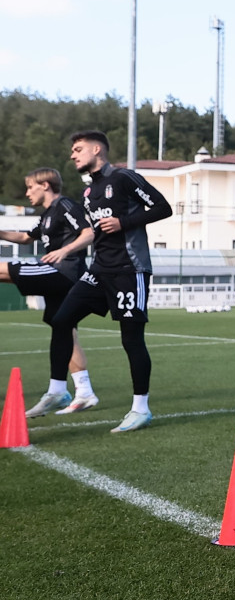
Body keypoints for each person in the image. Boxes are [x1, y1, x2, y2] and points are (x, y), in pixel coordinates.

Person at [52, 131, 173, 433]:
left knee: (131, 339)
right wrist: (67, 249)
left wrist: (124, 222)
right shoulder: (90, 192)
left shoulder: (123, 178)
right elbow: (94, 231)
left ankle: (140, 409)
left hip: (129, 270)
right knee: (62, 319)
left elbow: (163, 207)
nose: (73, 155)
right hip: (99, 270)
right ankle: (71, 390)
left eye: (78, 149)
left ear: (97, 149)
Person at [0, 167, 99, 415]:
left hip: (64, 273)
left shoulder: (65, 206)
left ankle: (60, 391)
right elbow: (24, 238)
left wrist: (65, 251)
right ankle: (81, 393)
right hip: (59, 275)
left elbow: (89, 233)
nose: (26, 192)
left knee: (4, 270)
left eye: (30, 187)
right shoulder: (47, 216)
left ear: (45, 185)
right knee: (64, 329)